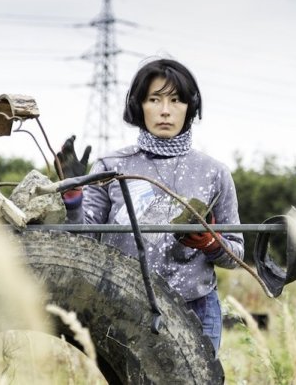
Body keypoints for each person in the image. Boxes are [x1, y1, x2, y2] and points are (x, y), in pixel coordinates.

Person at [58, 58, 244, 356]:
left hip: (197, 307)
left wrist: (210, 243)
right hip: (124, 305)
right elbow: (84, 241)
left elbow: (236, 254)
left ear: (190, 107)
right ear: (138, 106)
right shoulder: (111, 167)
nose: (166, 110)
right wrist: (73, 197)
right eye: (154, 99)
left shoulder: (213, 173)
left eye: (175, 100)